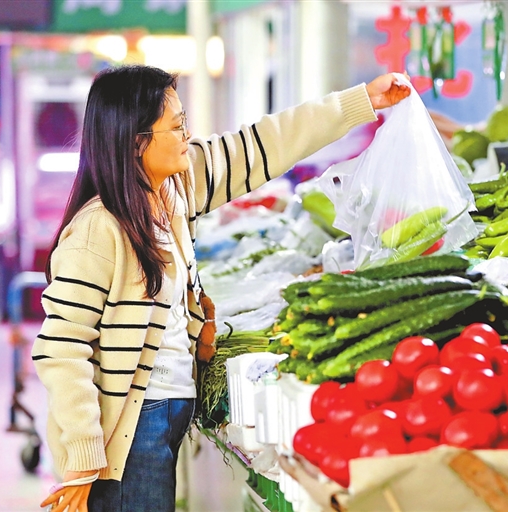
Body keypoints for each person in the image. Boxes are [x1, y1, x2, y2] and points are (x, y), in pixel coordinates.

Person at [32, 64, 410, 512]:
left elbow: (265, 142)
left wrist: (362, 100)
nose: (187, 136)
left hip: (168, 411)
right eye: (176, 127)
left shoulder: (175, 189)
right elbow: (62, 347)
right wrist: (83, 460)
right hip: (132, 432)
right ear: (137, 142)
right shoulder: (98, 229)